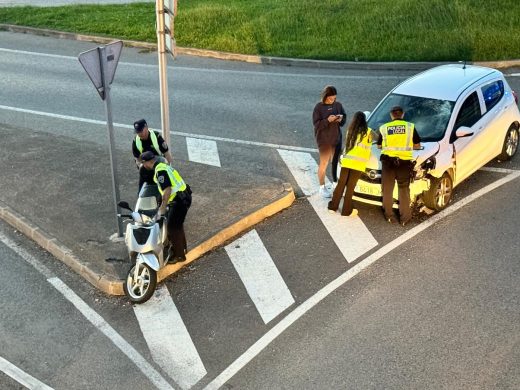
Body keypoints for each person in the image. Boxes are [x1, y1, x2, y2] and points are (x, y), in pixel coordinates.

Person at [140, 151, 192, 263]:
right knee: (178, 225)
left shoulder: (160, 171)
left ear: (147, 163)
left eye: (143, 164)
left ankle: (179, 256)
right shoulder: (164, 166)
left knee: (172, 228)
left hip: (179, 201)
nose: (144, 166)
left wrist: (162, 209)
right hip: (185, 196)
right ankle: (182, 249)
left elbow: (167, 190)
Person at [377, 106, 421, 226]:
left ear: (391, 115)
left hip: (388, 163)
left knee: (387, 190)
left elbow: (379, 146)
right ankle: (405, 218)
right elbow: (417, 145)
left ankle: (389, 216)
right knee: (403, 190)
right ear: (402, 115)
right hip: (404, 163)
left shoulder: (384, 128)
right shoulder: (410, 127)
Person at [328, 111, 372, 217]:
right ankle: (346, 211)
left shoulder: (350, 130)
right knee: (350, 187)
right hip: (358, 164)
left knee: (341, 184)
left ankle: (333, 207)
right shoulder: (369, 132)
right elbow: (379, 139)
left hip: (347, 161)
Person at [312, 85, 347, 198]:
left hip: (336, 138)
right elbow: (316, 125)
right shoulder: (318, 107)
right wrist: (327, 120)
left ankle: (335, 184)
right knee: (324, 163)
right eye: (331, 98)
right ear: (325, 97)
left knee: (336, 162)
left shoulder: (338, 105)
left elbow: (344, 118)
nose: (333, 100)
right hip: (324, 140)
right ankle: (322, 187)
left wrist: (341, 119)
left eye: (334, 98)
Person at [132, 119, 173, 190]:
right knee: (141, 192)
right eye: (137, 132)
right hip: (146, 169)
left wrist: (168, 170)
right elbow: (137, 160)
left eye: (141, 131)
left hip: (160, 167)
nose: (139, 134)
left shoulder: (156, 136)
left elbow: (167, 154)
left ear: (146, 128)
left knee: (164, 190)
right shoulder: (136, 141)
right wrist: (143, 168)